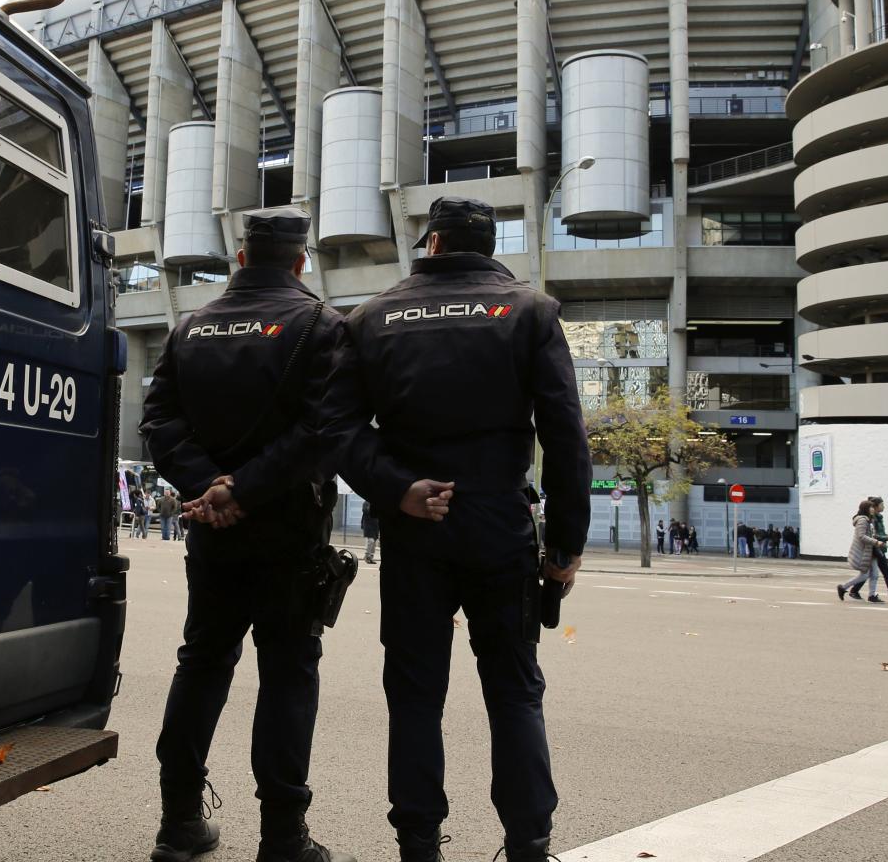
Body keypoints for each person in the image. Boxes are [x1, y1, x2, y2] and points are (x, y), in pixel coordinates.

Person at [334, 196, 591, 862]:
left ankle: (419, 847)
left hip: (416, 522)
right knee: (514, 688)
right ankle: (528, 844)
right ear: (486, 243)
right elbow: (564, 437)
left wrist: (398, 488)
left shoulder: (371, 316)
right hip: (500, 521)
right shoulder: (529, 310)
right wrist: (564, 546)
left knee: (415, 693)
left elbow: (336, 427)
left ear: (435, 244)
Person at [138, 207, 354, 862]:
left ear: (239, 260)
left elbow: (158, 422)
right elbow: (323, 431)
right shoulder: (322, 324)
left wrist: (211, 488)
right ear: (300, 262)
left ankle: (179, 824)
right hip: (289, 528)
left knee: (202, 660)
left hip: (212, 529)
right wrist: (246, 488)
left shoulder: (188, 326)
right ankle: (284, 838)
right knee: (288, 672)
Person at [838, 499, 886, 601]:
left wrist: (887, 538)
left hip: (871, 551)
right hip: (864, 551)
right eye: (871, 507)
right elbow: (861, 536)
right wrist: (876, 542)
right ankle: (843, 587)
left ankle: (872, 596)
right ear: (866, 509)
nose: (873, 509)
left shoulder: (869, 520)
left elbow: (870, 534)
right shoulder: (863, 520)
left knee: (875, 574)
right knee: (864, 575)